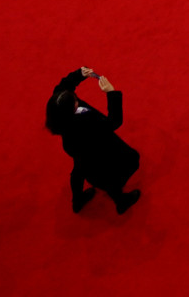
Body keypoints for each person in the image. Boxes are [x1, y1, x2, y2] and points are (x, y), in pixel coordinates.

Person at [45, 68, 142, 213]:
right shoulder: (84, 124)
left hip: (78, 151)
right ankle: (121, 202)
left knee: (79, 171)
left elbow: (64, 86)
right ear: (70, 110)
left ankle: (77, 200)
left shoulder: (59, 109)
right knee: (110, 176)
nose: (77, 100)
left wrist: (79, 74)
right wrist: (111, 93)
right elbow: (113, 122)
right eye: (75, 102)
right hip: (96, 152)